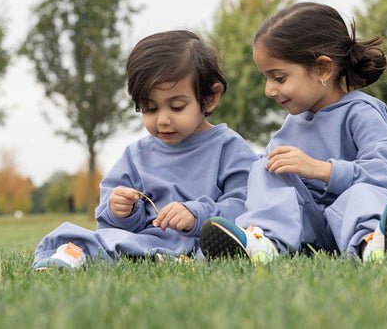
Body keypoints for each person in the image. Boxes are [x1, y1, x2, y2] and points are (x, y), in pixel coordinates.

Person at [199, 2, 387, 263]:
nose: (269, 90)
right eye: (266, 78)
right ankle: (263, 245)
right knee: (266, 168)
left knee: (361, 193)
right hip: (306, 230)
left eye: (279, 77)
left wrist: (324, 171)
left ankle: (375, 247)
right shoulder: (289, 126)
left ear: (322, 69)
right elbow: (263, 197)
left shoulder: (361, 112)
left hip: (350, 223)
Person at [33, 30, 258, 270]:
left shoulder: (229, 148)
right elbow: (111, 221)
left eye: (177, 107)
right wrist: (121, 211)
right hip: (146, 242)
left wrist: (197, 214)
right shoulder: (137, 155)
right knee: (104, 240)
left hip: (202, 245)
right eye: (149, 109)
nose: (162, 119)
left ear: (209, 98)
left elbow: (246, 205)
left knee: (223, 250)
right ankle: (71, 255)